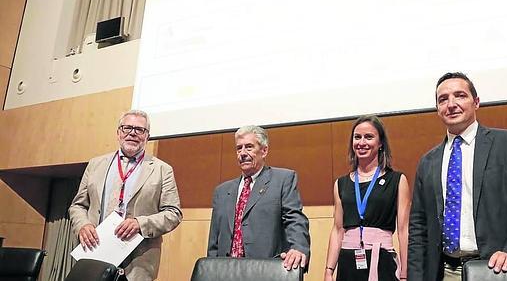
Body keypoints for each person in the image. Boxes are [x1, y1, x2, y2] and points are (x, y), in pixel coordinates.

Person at [408, 72, 507, 281]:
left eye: (460, 95)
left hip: (498, 270)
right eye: (443, 99)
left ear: (476, 102)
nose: (451, 104)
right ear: (438, 110)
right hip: (444, 272)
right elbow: (419, 228)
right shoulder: (428, 162)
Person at [69, 110, 182, 280]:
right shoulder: (95, 164)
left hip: (137, 264)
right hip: (94, 255)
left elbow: (174, 213)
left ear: (147, 136)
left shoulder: (162, 169)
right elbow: (78, 205)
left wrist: (140, 223)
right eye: (127, 128)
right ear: (118, 133)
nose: (132, 133)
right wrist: (82, 225)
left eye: (139, 130)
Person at [207, 125, 310, 270]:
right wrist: (211, 271)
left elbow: (295, 219)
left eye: (249, 147)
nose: (242, 153)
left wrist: (298, 247)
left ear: (264, 150)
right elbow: (214, 243)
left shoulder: (282, 180)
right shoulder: (222, 191)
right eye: (239, 148)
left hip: (265, 270)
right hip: (226, 271)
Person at [324, 115, 410, 281]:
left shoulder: (397, 180)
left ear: (380, 143)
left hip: (382, 260)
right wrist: (329, 270)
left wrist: (405, 273)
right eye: (357, 137)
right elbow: (337, 229)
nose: (361, 142)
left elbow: (403, 229)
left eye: (368, 137)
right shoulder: (341, 183)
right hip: (348, 262)